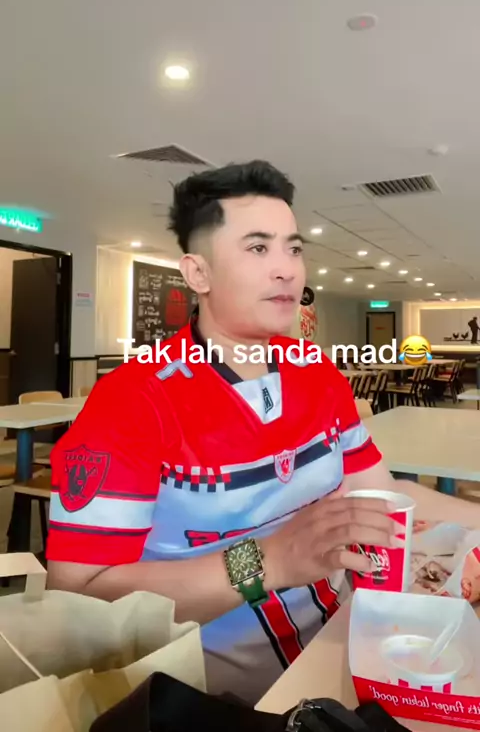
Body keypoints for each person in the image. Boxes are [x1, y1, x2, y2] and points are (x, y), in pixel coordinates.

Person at [46, 160, 480, 705]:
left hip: (344, 651)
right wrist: (268, 561)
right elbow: (77, 606)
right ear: (198, 273)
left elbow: (383, 496)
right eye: (257, 248)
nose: (287, 271)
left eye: (293, 249)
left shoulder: (318, 373)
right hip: (211, 695)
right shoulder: (132, 401)